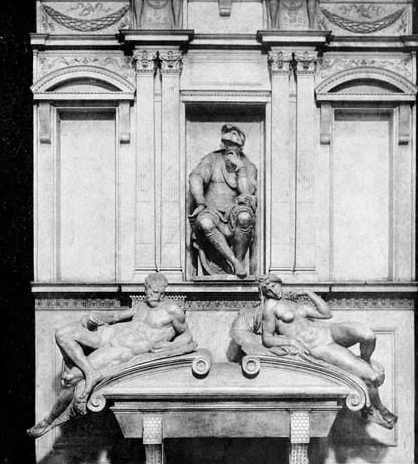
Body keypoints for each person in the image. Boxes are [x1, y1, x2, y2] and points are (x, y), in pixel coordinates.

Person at [27, 273, 193, 438]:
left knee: (71, 377)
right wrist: (96, 317)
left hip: (121, 349)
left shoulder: (173, 311)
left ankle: (49, 421)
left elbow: (188, 337)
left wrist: (170, 346)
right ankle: (90, 372)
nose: (150, 295)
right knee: (62, 334)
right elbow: (116, 317)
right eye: (147, 291)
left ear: (163, 293)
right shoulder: (142, 306)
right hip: (109, 334)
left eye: (154, 292)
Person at [257, 274, 397, 429]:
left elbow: (326, 314)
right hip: (320, 346)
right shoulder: (270, 307)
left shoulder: (293, 303)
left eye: (274, 285)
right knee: (372, 377)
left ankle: (366, 361)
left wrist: (308, 293)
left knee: (368, 335)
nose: (272, 290)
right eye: (267, 289)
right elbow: (267, 338)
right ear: (265, 293)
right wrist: (291, 341)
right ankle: (380, 409)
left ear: (279, 283)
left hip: (329, 331)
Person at [188, 123, 257, 277]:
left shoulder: (248, 165)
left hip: (234, 210)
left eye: (234, 145)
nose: (229, 148)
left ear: (241, 147)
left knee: (245, 217)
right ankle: (234, 261)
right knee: (205, 223)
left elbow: (246, 192)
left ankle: (237, 265)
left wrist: (240, 168)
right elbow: (195, 177)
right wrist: (200, 201)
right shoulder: (211, 159)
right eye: (226, 144)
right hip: (211, 209)